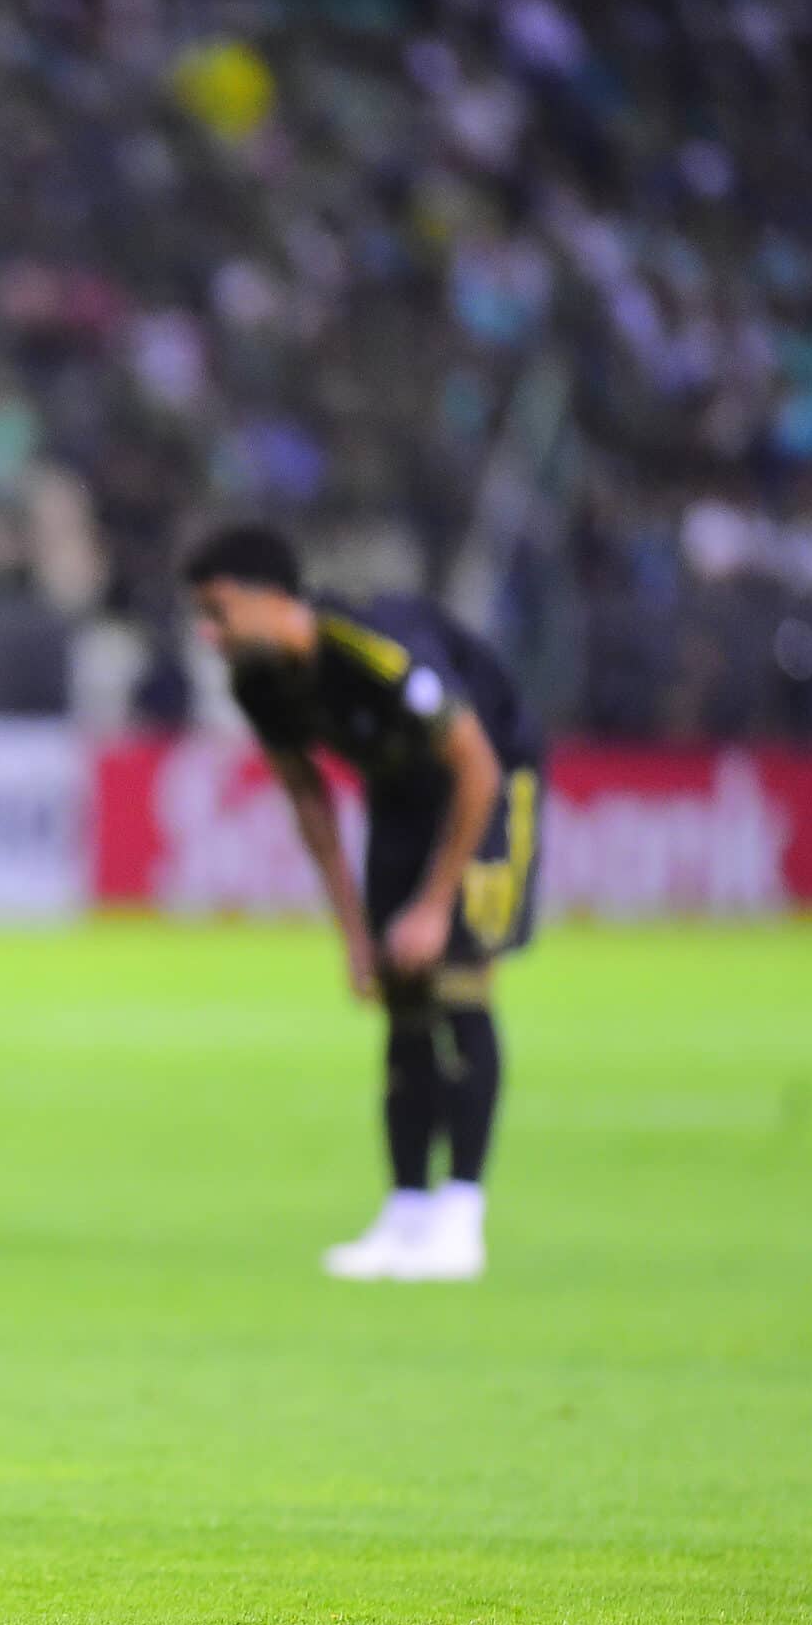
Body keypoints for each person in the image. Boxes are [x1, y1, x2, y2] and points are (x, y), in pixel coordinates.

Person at [183, 525, 544, 1281]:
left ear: (268, 596)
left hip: (488, 784)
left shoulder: (372, 647)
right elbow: (309, 799)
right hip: (399, 795)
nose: (207, 633)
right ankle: (406, 1211)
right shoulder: (257, 681)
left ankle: (461, 1216)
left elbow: (474, 762)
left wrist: (434, 903)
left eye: (217, 611)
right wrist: (354, 932)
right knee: (399, 991)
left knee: (458, 980)